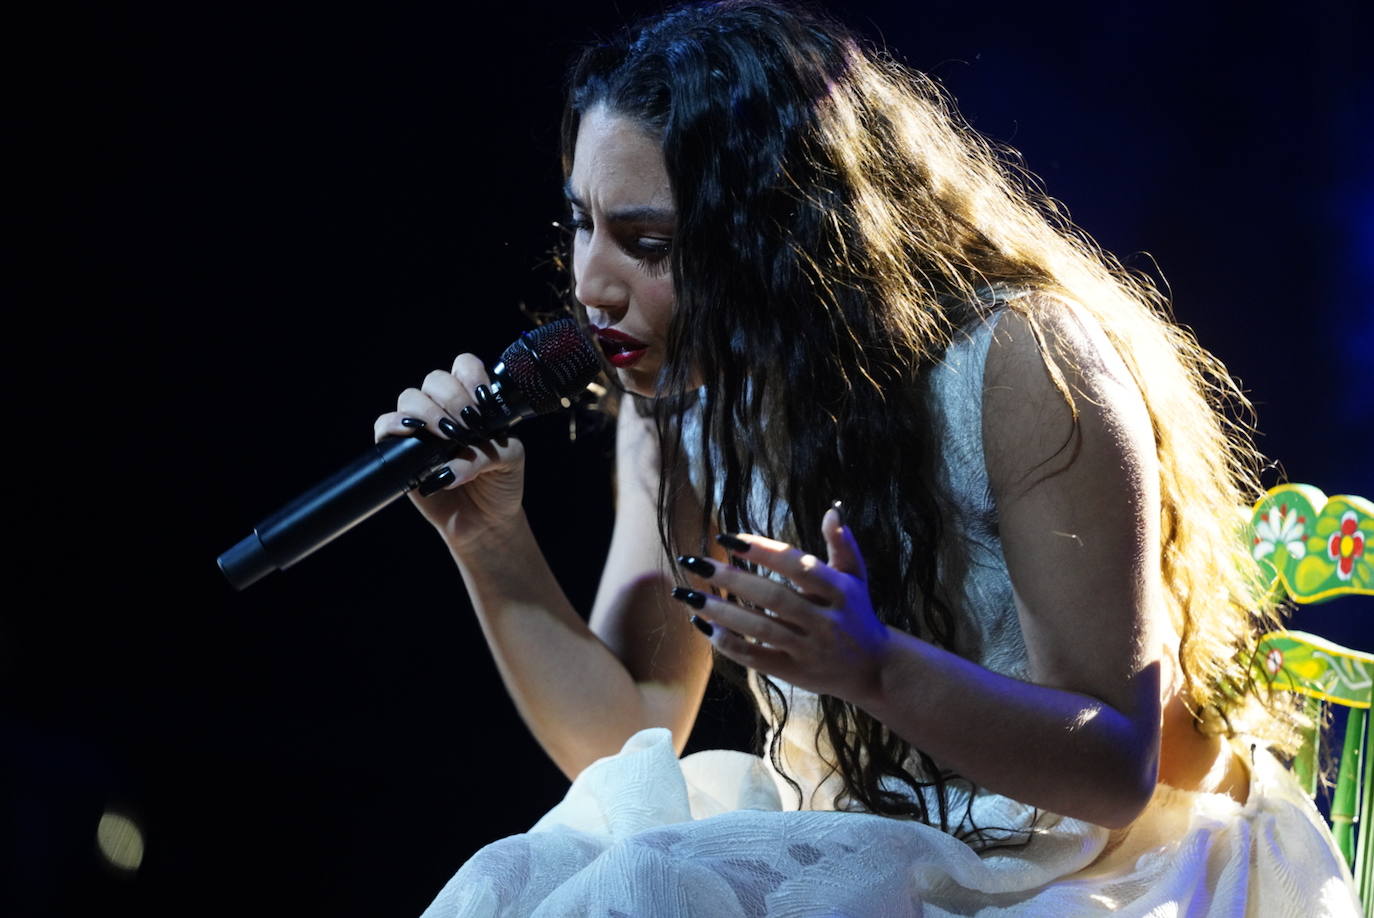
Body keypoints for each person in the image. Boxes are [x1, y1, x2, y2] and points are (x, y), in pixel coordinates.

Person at [374, 2, 1361, 914]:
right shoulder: (680, 402)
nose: (592, 283)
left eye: (649, 244)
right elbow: (622, 740)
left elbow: (1114, 773)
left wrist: (874, 667)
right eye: (583, 224)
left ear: (781, 229)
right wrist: (490, 537)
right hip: (863, 852)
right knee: (530, 882)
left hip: (1098, 869)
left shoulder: (1021, 365)